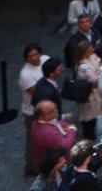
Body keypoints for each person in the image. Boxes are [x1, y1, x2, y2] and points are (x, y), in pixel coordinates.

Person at [19, 43, 50, 176]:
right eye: (30, 56)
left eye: (36, 54)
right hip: (32, 112)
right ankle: (31, 166)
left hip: (47, 107)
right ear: (26, 58)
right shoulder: (25, 75)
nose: (34, 58)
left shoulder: (45, 60)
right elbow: (37, 93)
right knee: (32, 140)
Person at [31, 99, 77, 170]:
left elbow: (56, 123)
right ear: (41, 116)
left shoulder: (38, 122)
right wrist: (72, 130)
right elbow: (65, 145)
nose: (56, 111)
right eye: (51, 112)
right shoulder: (48, 133)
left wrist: (64, 126)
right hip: (56, 165)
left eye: (55, 108)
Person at [75, 40, 102, 139]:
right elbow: (94, 79)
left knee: (95, 116)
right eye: (90, 49)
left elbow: (99, 63)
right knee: (89, 120)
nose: (92, 49)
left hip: (95, 94)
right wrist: (100, 70)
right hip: (88, 96)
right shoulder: (83, 66)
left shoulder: (92, 57)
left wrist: (99, 70)